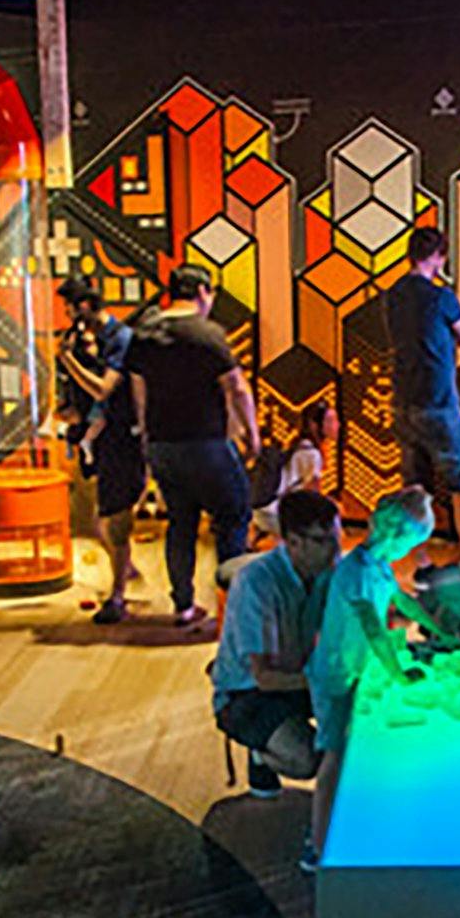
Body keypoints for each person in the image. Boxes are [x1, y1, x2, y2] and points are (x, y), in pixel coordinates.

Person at [306, 487, 454, 872]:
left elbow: (401, 601)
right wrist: (399, 674)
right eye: (412, 543)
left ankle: (345, 823)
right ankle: (318, 848)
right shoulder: (355, 571)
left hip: (357, 669)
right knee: (334, 755)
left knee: (353, 747)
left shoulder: (378, 566)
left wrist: (438, 630)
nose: (410, 551)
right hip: (336, 674)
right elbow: (373, 627)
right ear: (395, 533)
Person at [127, 264, 259, 629]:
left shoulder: (144, 334)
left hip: (162, 445)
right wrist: (252, 435)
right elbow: (237, 387)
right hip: (206, 444)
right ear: (202, 291)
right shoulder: (207, 334)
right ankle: (231, 611)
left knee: (180, 523)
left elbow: (139, 389)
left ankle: (183, 607)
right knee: (233, 517)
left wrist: (146, 434)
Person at [212, 490, 342, 798]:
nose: (336, 550)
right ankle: (260, 753)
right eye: (323, 541)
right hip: (246, 693)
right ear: (293, 542)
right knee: (309, 759)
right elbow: (264, 677)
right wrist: (326, 680)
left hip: (296, 676)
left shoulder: (324, 572)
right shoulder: (257, 583)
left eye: (337, 538)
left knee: (361, 724)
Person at [385, 226, 460, 558]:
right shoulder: (441, 297)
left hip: (402, 401)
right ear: (439, 257)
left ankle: (420, 563)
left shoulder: (393, 295)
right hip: (438, 402)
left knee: (415, 488)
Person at [55, 277, 144, 623]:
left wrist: (69, 361)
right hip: (98, 440)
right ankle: (124, 569)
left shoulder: (120, 339)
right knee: (100, 518)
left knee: (114, 519)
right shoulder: (88, 341)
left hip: (121, 440)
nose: (68, 317)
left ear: (85, 306)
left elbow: (104, 389)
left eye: (70, 309)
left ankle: (117, 595)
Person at [252, 399, 336, 539]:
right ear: (315, 425)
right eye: (331, 420)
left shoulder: (298, 446)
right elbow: (313, 497)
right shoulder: (311, 454)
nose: (337, 425)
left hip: (264, 511)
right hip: (276, 514)